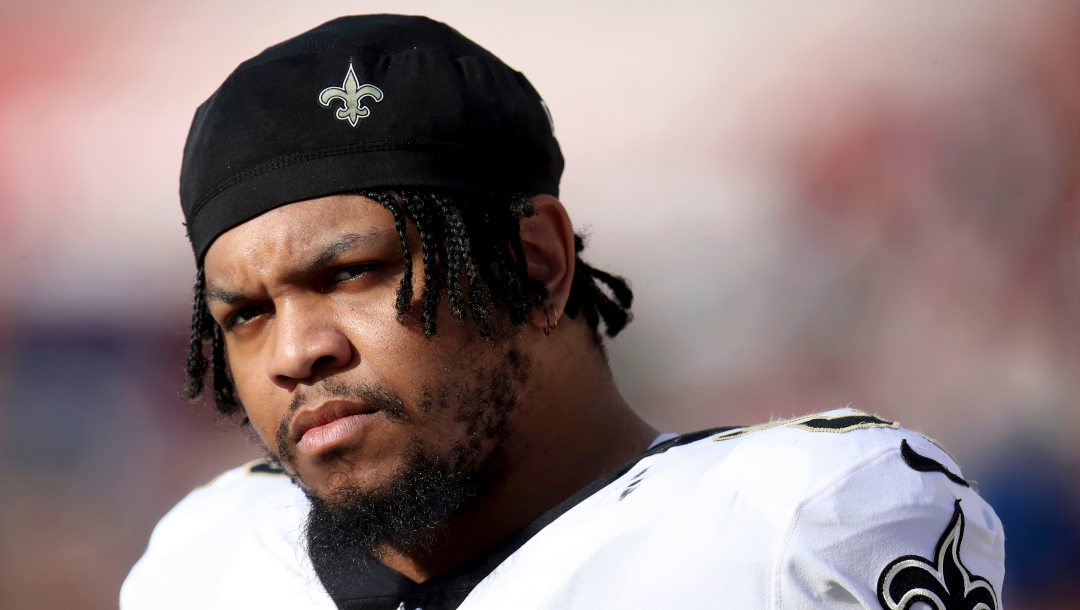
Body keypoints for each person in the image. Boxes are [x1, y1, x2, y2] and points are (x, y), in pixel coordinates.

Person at [121, 14, 1005, 610]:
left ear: (535, 264)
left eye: (352, 272)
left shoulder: (801, 524)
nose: (295, 352)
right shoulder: (206, 561)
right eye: (242, 315)